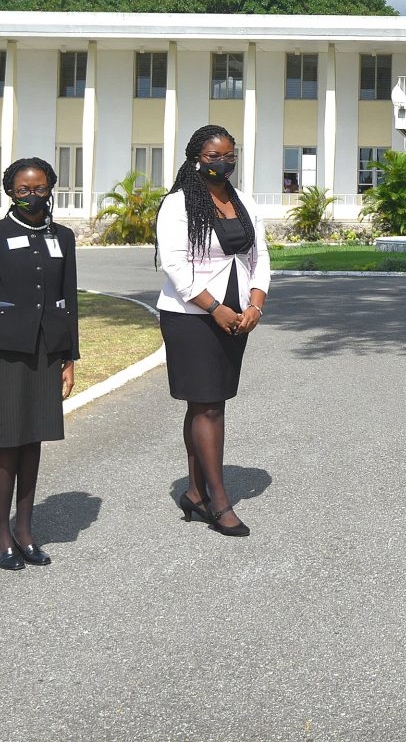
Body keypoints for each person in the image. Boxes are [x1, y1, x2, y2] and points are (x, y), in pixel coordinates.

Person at [157, 125, 269, 539]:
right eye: (213, 156)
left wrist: (255, 303)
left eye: (229, 156)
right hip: (191, 316)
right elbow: (175, 264)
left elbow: (261, 256)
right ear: (195, 158)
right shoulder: (178, 204)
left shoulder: (243, 202)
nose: (223, 163)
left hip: (237, 313)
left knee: (206, 403)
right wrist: (215, 308)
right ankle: (219, 501)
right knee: (208, 406)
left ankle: (194, 493)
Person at [0, 158, 79, 570]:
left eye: (40, 188)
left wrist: (69, 358)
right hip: (5, 354)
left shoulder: (63, 237)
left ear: (51, 188)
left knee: (34, 440)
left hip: (48, 353)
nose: (32, 195)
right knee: (8, 441)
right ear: (10, 192)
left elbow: (70, 300)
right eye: (23, 189)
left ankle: (26, 530)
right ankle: (2, 531)